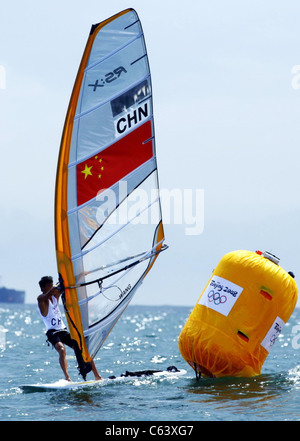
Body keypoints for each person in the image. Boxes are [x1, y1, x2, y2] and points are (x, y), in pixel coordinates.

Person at [37, 275, 101, 382]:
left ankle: (97, 375)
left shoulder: (55, 296)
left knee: (83, 348)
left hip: (63, 330)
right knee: (62, 350)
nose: (51, 287)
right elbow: (49, 293)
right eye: (48, 286)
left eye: (51, 285)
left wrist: (78, 277)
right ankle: (67, 378)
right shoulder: (41, 299)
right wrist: (57, 286)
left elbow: (62, 288)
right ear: (43, 288)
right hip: (52, 332)